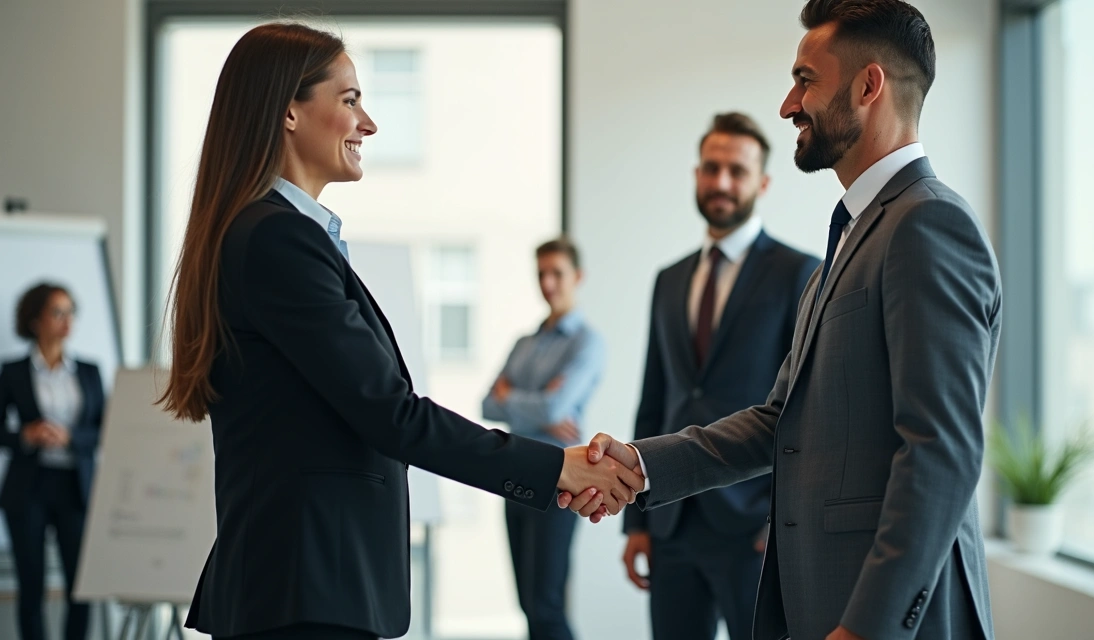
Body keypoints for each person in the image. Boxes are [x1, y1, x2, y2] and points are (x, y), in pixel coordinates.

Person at [155, 22, 642, 640]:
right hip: (307, 588)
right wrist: (555, 468)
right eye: (350, 99)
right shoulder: (277, 238)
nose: (370, 124)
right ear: (290, 114)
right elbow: (391, 414)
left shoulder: (274, 234)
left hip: (305, 582)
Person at [564, 2, 1002, 639]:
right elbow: (780, 420)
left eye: (805, 80)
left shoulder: (928, 225)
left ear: (868, 86)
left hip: (891, 616)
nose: (788, 104)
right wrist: (639, 464)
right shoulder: (854, 235)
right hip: (822, 598)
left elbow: (942, 452)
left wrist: (869, 628)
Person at [621, 112, 819, 640]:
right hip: (671, 522)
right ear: (697, 175)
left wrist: (780, 520)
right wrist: (637, 520)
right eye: (712, 168)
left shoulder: (800, 273)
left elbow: (805, 410)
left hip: (753, 526)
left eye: (737, 170)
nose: (722, 183)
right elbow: (655, 399)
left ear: (763, 182)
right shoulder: (670, 280)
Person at [482, 237, 605, 640]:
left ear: (578, 277)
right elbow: (487, 403)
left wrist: (512, 397)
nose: (548, 283)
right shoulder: (525, 343)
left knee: (547, 605)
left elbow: (555, 410)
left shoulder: (587, 342)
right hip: (514, 476)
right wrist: (539, 404)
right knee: (528, 605)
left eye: (557, 273)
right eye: (542, 274)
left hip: (559, 483)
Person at [0, 284, 104, 640]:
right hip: (28, 486)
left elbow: (103, 429)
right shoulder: (13, 371)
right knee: (32, 585)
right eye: (57, 312)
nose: (67, 320)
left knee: (80, 585)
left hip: (75, 486)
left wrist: (72, 438)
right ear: (34, 321)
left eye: (70, 311)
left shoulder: (89, 371)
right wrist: (26, 436)